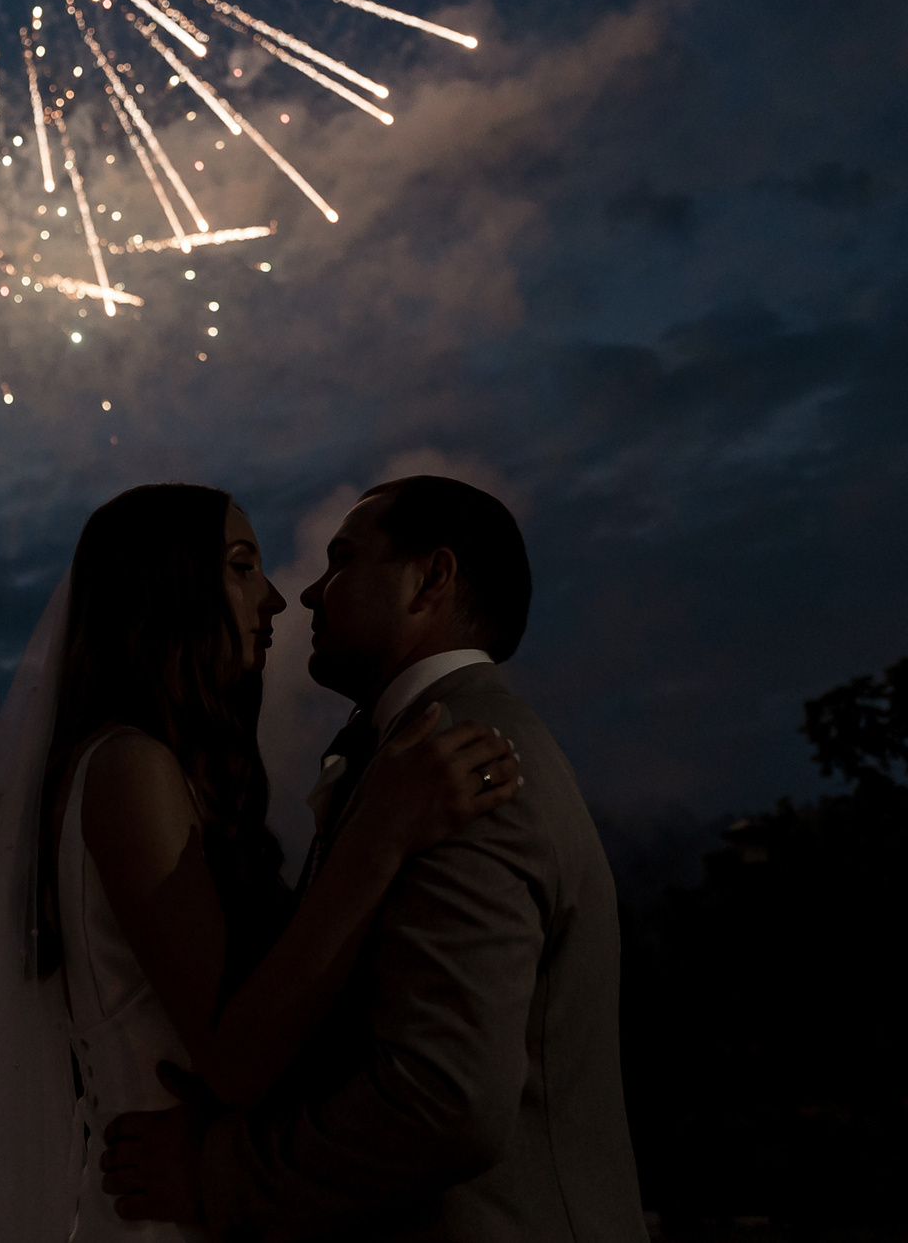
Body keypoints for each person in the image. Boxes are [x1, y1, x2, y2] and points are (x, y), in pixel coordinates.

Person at [0, 483, 523, 1242]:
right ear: (166, 592)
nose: (276, 599)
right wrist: (377, 834)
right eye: (242, 567)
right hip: (162, 1215)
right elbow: (236, 1061)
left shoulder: (154, 770)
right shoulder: (127, 767)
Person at [101, 476, 647, 1241]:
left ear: (432, 578)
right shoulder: (413, 757)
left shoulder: (459, 758)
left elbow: (445, 1099)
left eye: (343, 560)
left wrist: (220, 1173)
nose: (308, 594)